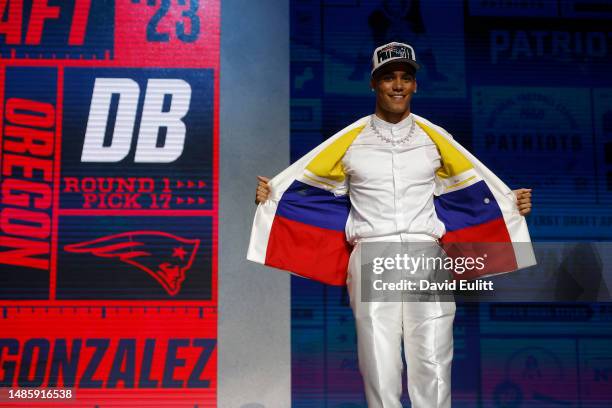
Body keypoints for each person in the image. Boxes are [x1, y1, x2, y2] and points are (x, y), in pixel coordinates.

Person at [249, 42, 534, 408]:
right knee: (379, 370)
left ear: (415, 85)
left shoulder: (436, 139)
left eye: (406, 77)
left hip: (425, 255)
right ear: (373, 83)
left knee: (433, 366)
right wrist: (271, 196)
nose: (397, 85)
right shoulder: (350, 142)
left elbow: (475, 191)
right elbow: (306, 191)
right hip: (373, 254)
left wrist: (511, 203)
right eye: (388, 77)